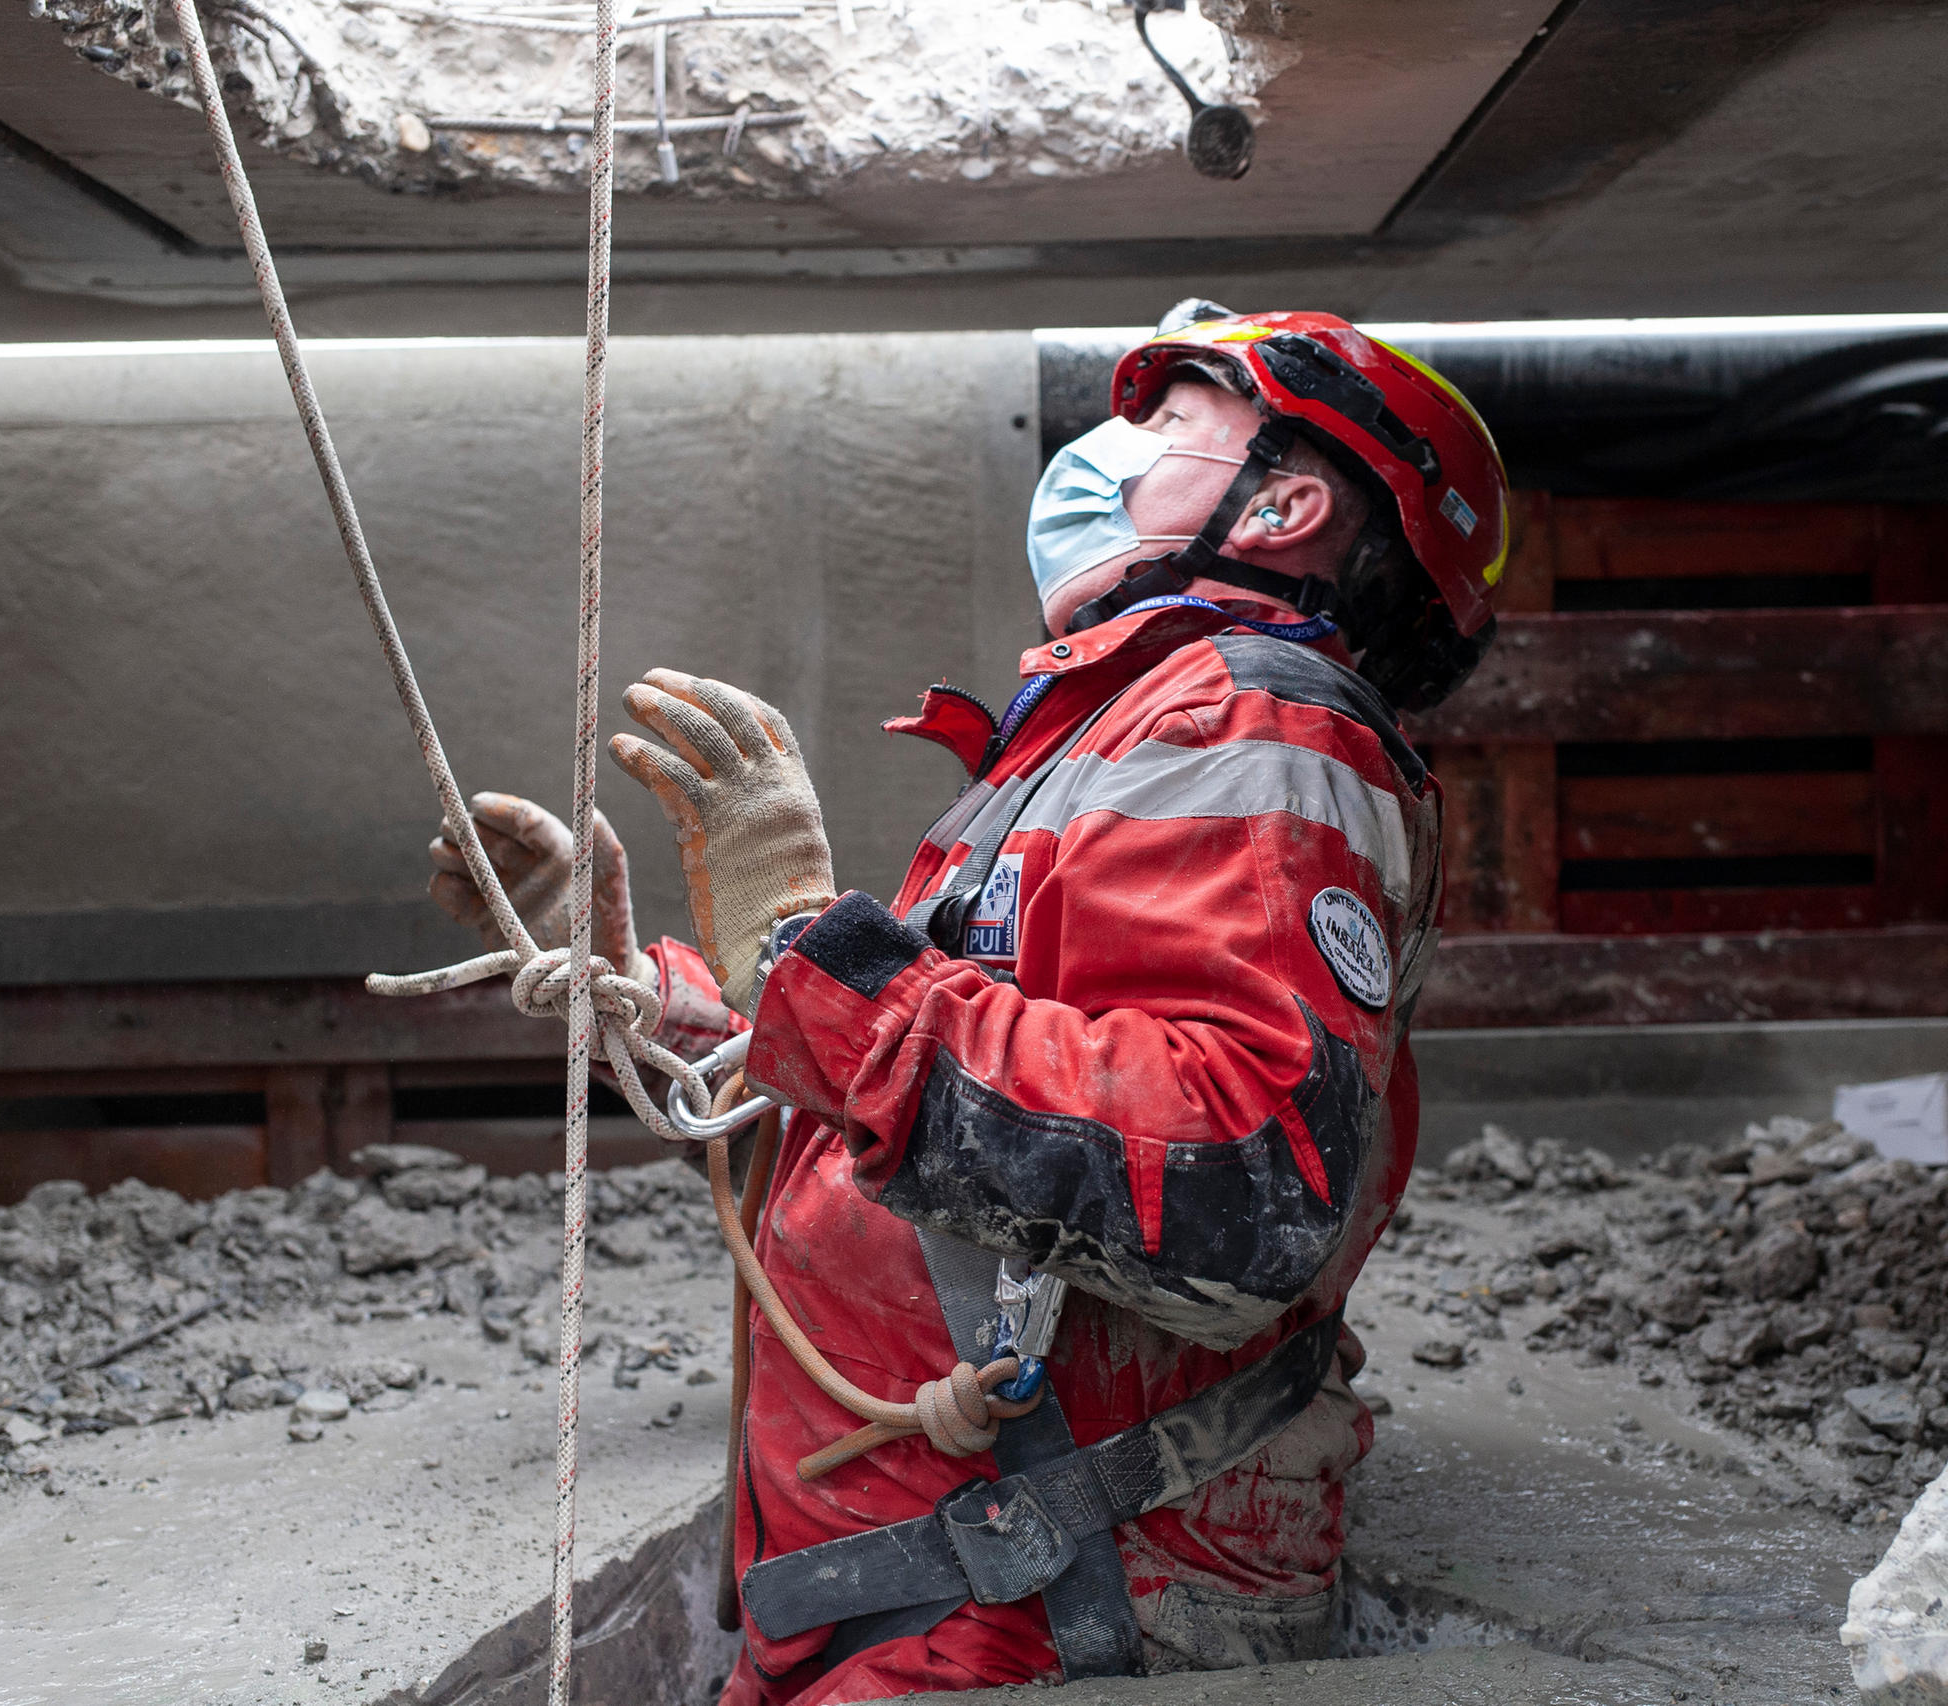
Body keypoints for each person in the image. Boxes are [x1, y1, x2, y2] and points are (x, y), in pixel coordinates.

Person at [427, 303, 1510, 1702]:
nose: (1106, 450)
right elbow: (936, 1078)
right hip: (947, 1579)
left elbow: (1239, 1181)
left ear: (1287, 503)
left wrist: (807, 947)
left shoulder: (1251, 727)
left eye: (1171, 422)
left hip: (1035, 1605)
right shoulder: (1116, 734)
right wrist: (645, 989)